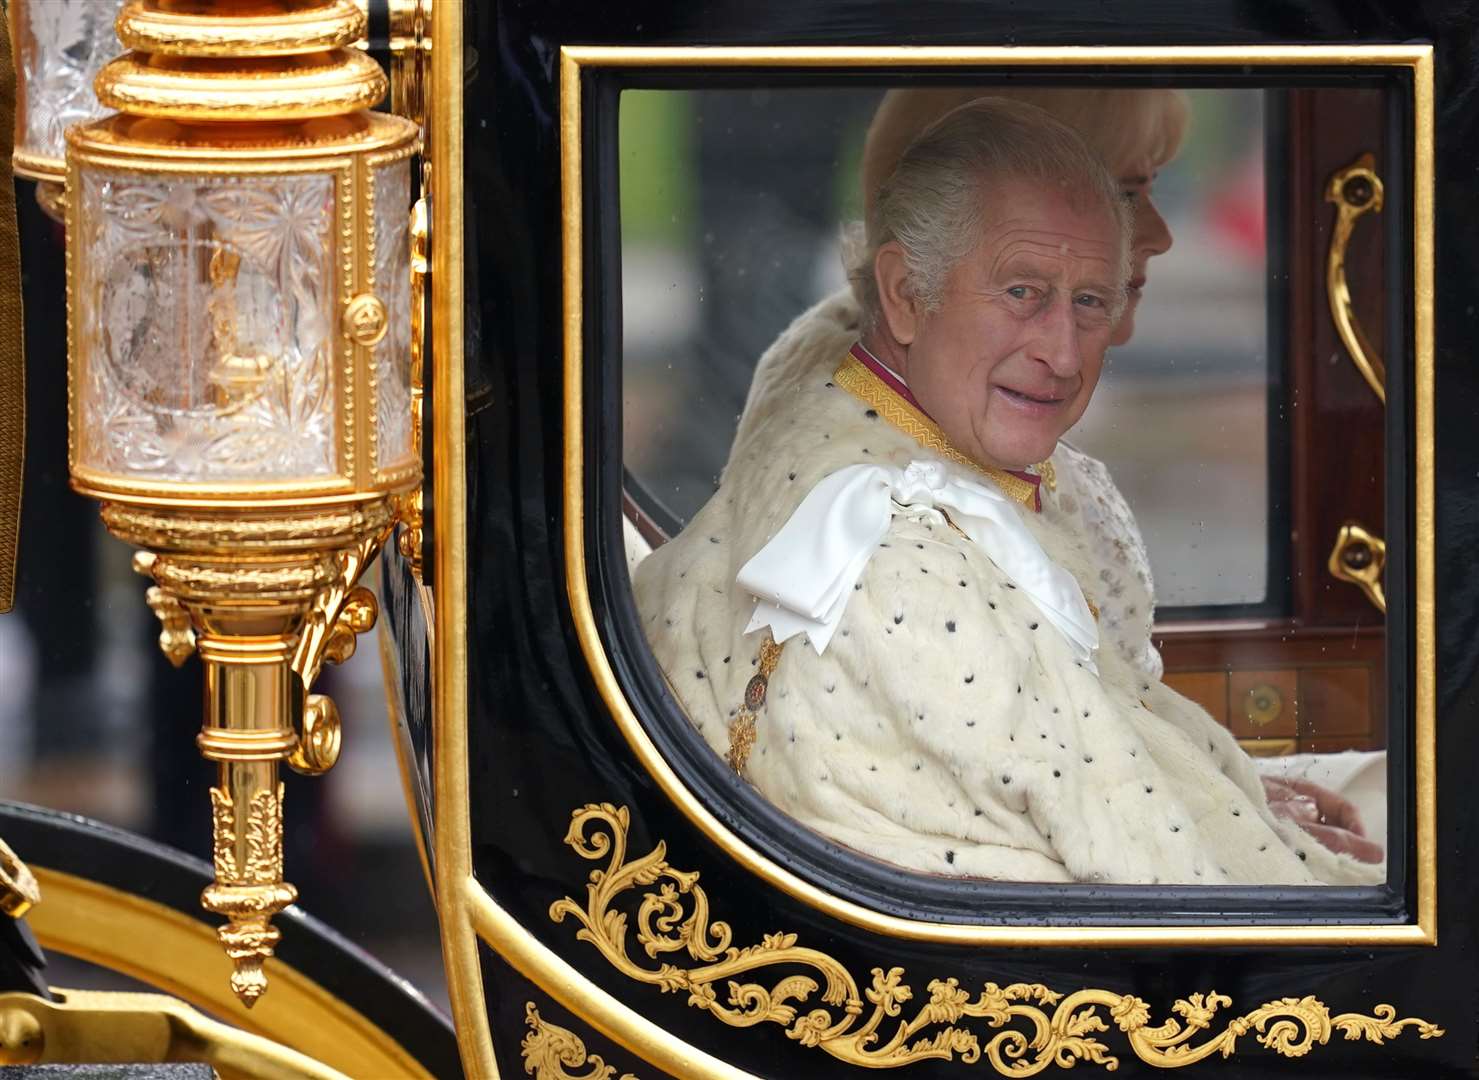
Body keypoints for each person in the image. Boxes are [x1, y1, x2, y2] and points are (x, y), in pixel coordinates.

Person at [634, 97, 1381, 885]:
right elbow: (1161, 890)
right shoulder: (913, 571)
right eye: (1022, 292)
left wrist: (1234, 795)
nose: (1061, 354)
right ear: (902, 292)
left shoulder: (865, 395)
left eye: (1092, 299)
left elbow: (1090, 735)